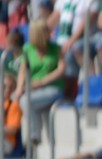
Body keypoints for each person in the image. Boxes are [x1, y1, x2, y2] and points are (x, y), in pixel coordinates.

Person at [14, 19, 64, 149]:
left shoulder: (55, 48)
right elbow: (22, 70)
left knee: (26, 101)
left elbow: (61, 69)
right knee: (17, 99)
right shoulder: (27, 49)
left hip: (52, 87)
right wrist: (19, 88)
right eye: (46, 31)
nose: (50, 32)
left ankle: (34, 135)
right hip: (33, 89)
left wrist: (42, 82)